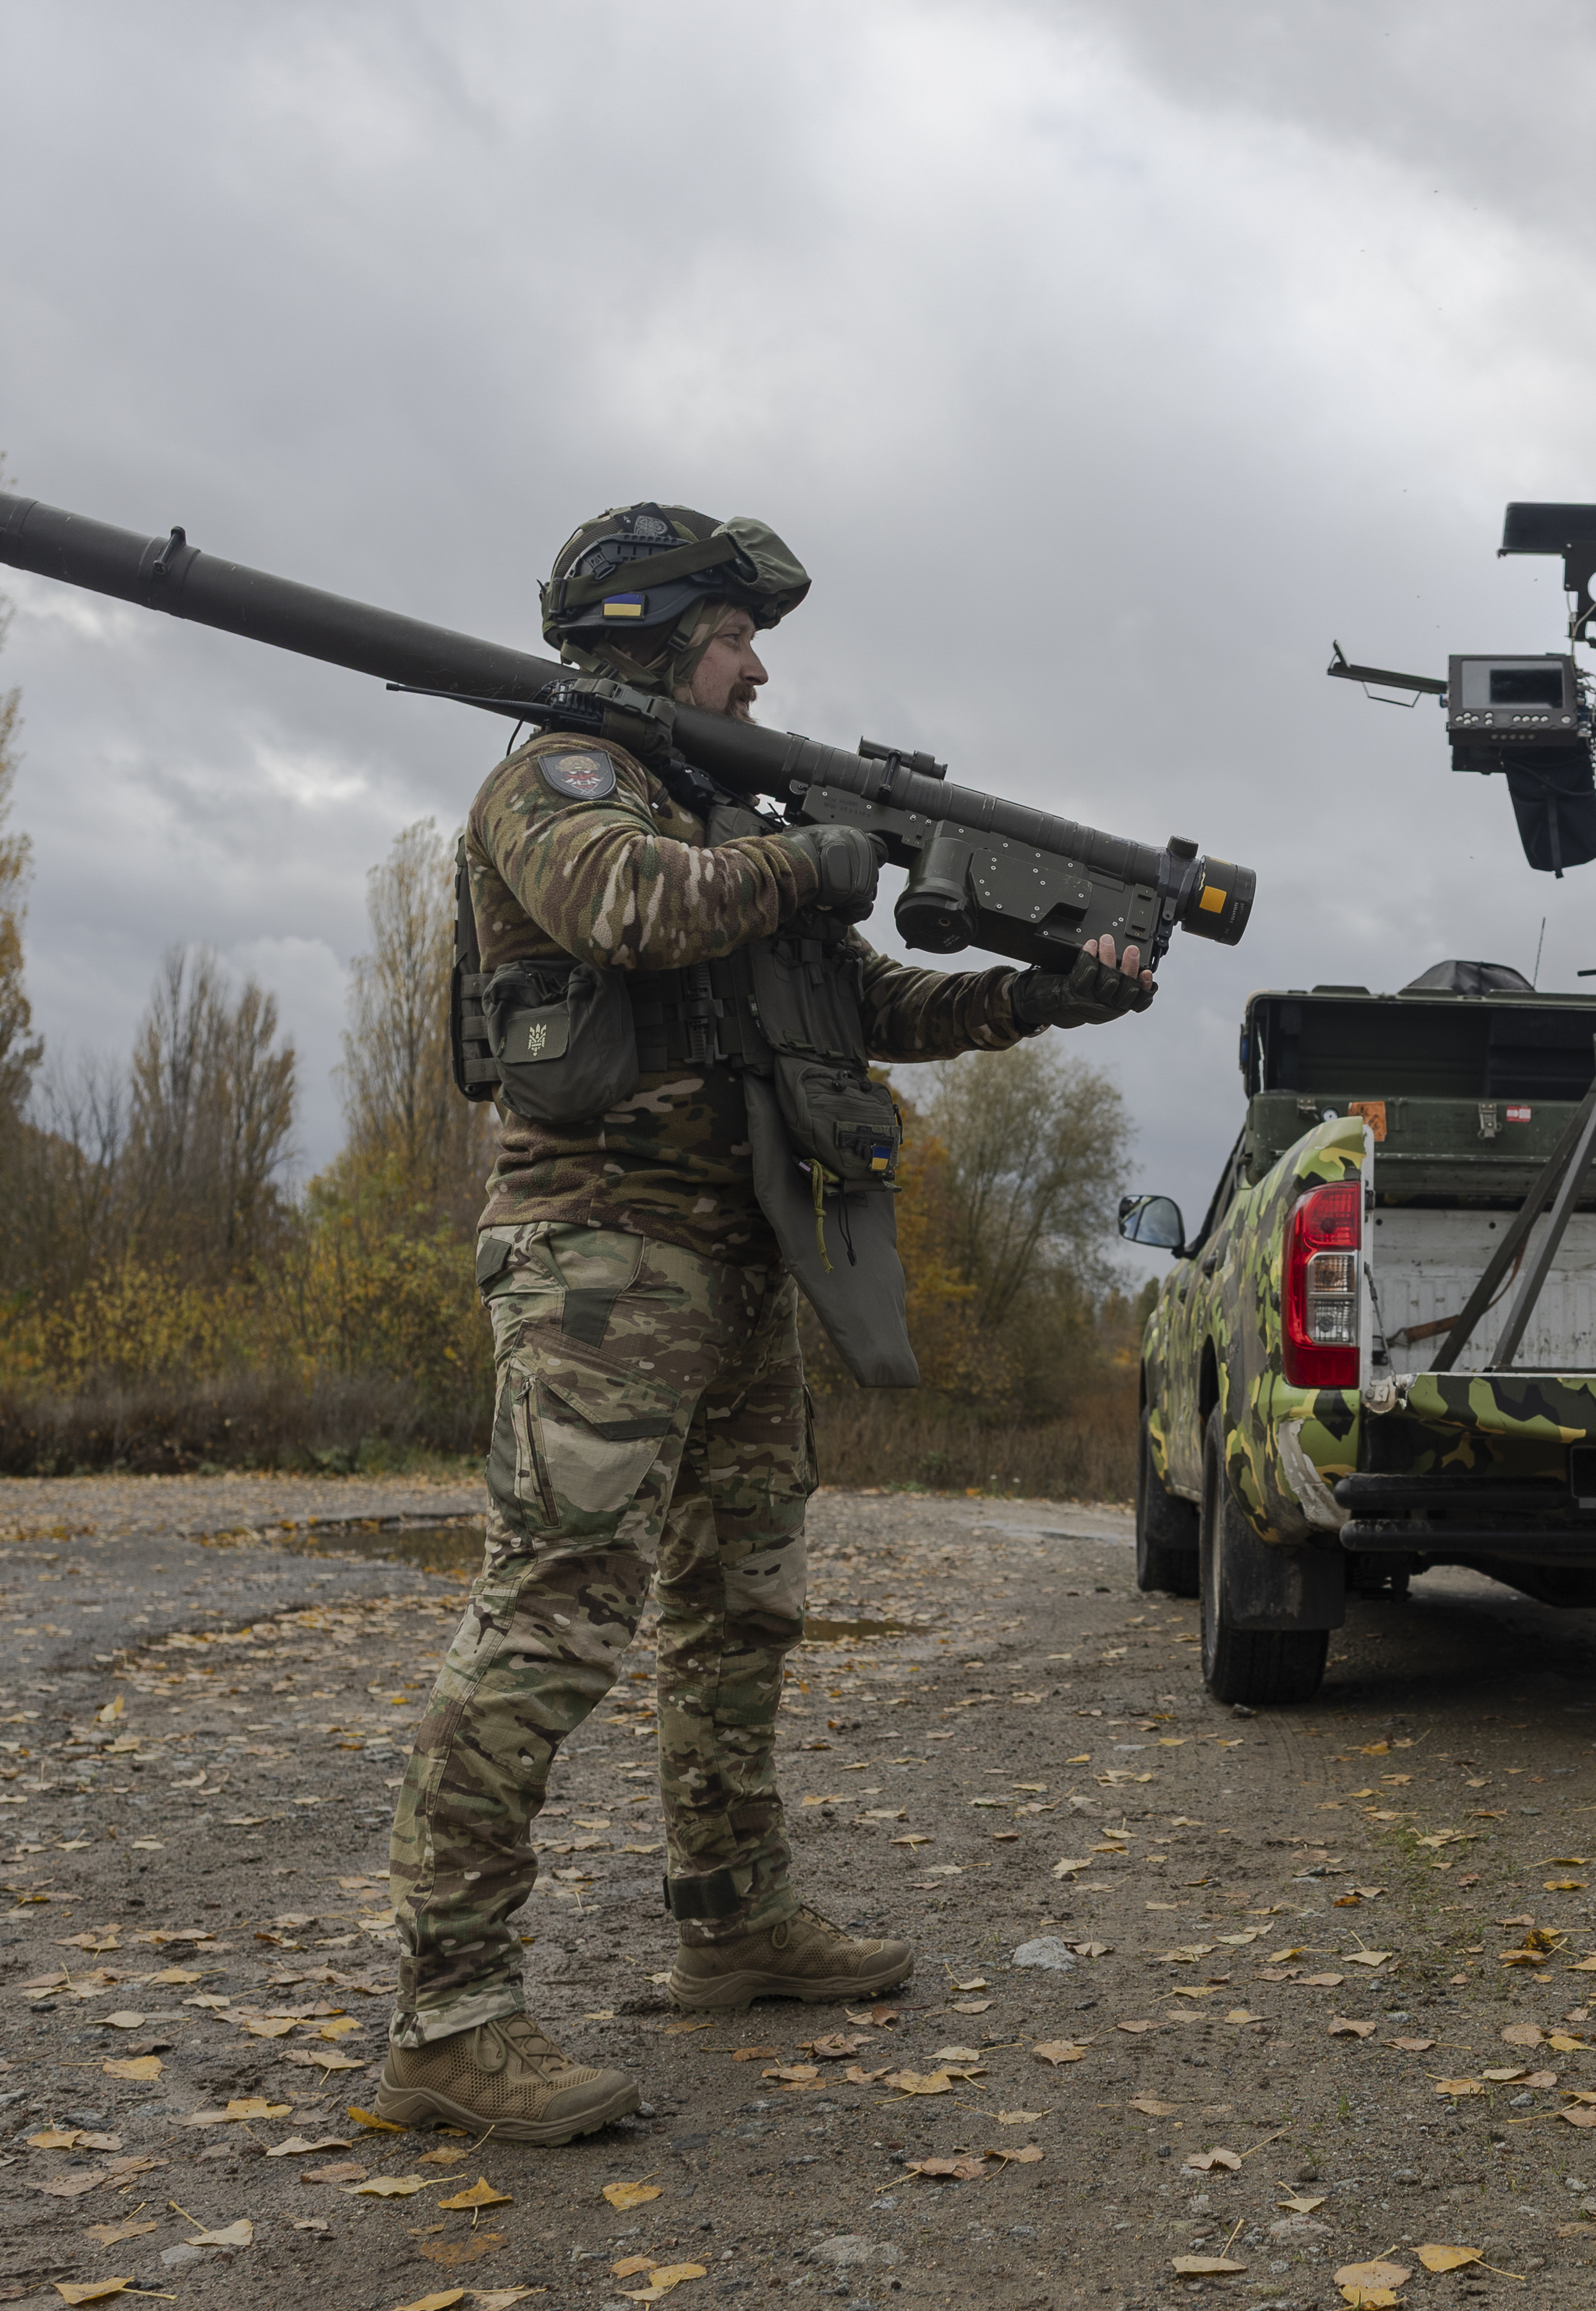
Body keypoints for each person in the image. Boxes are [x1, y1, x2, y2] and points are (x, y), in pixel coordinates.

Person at [373, 504, 1156, 2143]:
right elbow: (628, 910)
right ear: (657, 639)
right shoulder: (564, 781)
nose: (762, 665)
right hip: (601, 1255)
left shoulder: (737, 823)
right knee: (557, 1612)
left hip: (742, 1259)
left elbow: (868, 1008)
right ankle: (447, 2012)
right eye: (737, 637)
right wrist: (821, 855)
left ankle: (733, 1921)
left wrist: (1044, 992)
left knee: (742, 1604)